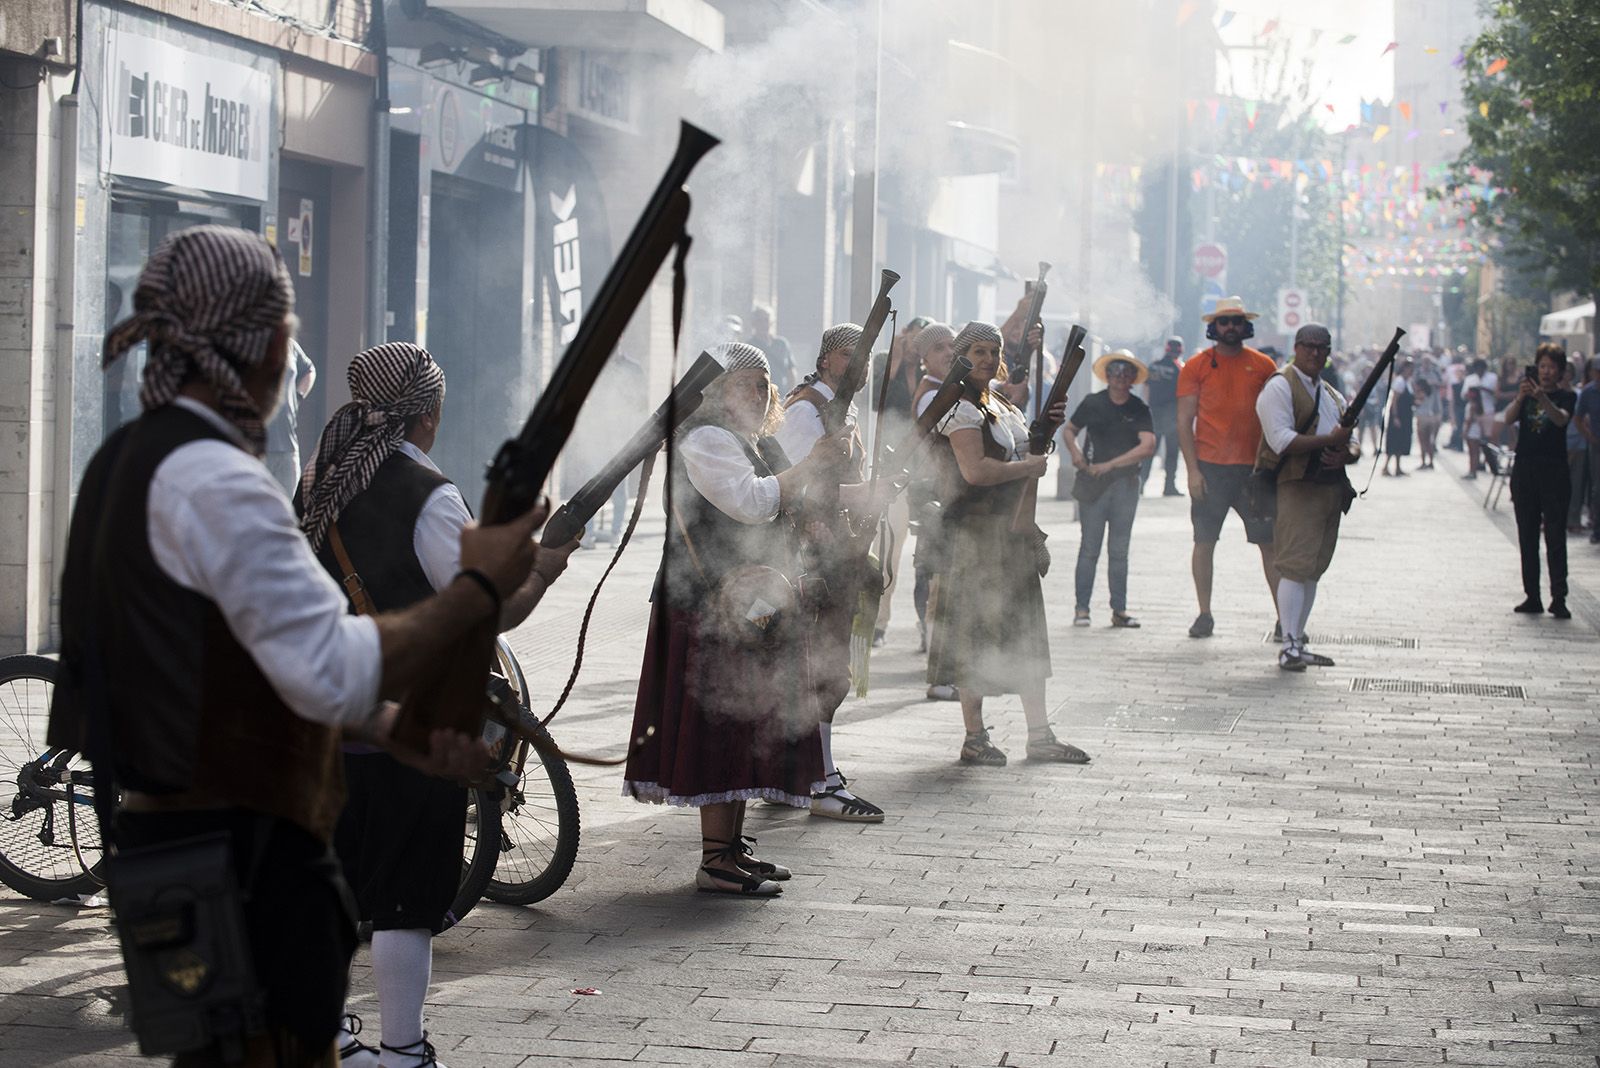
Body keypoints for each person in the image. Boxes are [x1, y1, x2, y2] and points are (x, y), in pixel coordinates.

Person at [47, 225, 535, 1066]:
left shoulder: (126, 459)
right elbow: (329, 666)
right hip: (245, 859)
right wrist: (481, 591)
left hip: (159, 845)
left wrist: (386, 728)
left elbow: (242, 663)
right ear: (268, 343)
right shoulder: (221, 479)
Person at [296, 341, 578, 1068]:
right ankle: (402, 1049)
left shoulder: (319, 480)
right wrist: (542, 571)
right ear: (427, 413)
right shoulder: (427, 493)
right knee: (405, 898)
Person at [622, 343, 846, 893]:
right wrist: (813, 465)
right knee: (720, 728)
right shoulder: (706, 439)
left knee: (746, 726)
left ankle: (730, 849)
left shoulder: (751, 440)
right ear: (716, 390)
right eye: (746, 382)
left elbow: (793, 496)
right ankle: (715, 859)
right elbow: (751, 502)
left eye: (764, 383)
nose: (760, 393)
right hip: (712, 603)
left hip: (754, 603)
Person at [927, 321, 1089, 768]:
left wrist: (1042, 438)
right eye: (976, 350)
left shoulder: (999, 404)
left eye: (991, 351)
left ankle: (1040, 734)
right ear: (962, 357)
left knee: (1025, 636)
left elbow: (1024, 455)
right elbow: (975, 471)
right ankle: (974, 736)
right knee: (974, 637)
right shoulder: (957, 408)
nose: (985, 359)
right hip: (974, 536)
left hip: (1010, 534)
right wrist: (1029, 467)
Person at [773, 324, 886, 822]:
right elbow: (787, 487)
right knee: (823, 672)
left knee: (821, 670)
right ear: (825, 360)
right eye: (847, 356)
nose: (855, 367)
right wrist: (852, 497)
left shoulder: (840, 409)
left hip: (833, 554)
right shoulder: (804, 410)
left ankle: (791, 775)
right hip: (807, 559)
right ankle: (821, 780)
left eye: (862, 358)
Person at [1254, 324, 1360, 671]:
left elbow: (1351, 439)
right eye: (1309, 346)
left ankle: (1298, 638)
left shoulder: (1329, 392)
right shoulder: (1280, 385)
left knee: (1312, 569)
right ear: (1297, 347)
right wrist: (1330, 442)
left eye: (1322, 348)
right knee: (1295, 567)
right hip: (1296, 485)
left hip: (1329, 487)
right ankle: (1289, 643)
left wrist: (1346, 452)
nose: (1316, 353)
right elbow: (1281, 440)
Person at [1175, 296, 1280, 639]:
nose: (1231, 327)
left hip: (1254, 470)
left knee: (1270, 544)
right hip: (1211, 468)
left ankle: (1286, 619)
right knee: (1204, 541)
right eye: (1224, 321)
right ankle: (1204, 613)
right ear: (1214, 327)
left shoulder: (1264, 366)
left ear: (1245, 326)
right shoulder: (1196, 366)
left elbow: (1277, 417)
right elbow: (1184, 421)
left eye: (1236, 321)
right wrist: (1192, 471)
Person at [1063, 350, 1156, 628]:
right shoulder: (1094, 402)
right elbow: (1069, 430)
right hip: (1094, 483)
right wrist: (1076, 454)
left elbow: (1147, 445)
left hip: (1125, 483)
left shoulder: (1138, 408)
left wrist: (1111, 465)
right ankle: (1082, 608)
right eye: (1116, 371)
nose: (1120, 377)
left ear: (1132, 378)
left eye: (1127, 372)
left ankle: (1119, 609)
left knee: (1119, 550)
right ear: (1108, 375)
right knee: (1089, 548)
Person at [866, 315, 931, 647]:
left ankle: (927, 624)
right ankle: (878, 622)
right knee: (884, 550)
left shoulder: (927, 374)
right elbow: (874, 396)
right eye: (912, 341)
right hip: (886, 467)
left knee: (922, 555)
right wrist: (895, 356)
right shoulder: (884, 362)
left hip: (919, 472)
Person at [1501, 343, 1577, 618]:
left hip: (1554, 474)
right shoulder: (1526, 396)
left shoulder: (1568, 396)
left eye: (1551, 367)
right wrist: (1522, 398)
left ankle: (1559, 597)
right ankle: (1532, 595)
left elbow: (1560, 420)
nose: (1546, 372)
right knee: (1527, 536)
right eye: (1542, 366)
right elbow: (1507, 419)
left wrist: (1542, 398)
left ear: (1560, 371)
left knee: (1555, 537)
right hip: (1525, 472)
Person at [908, 322, 961, 695]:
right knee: (939, 585)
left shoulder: (950, 390)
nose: (948, 352)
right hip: (936, 499)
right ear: (924, 358)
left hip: (948, 498)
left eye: (952, 346)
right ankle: (940, 673)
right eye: (939, 347)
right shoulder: (932, 396)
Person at [265, 338, 317, 492]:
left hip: (287, 446)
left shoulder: (289, 344)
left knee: (289, 510)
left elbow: (309, 369)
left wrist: (299, 395)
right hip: (255, 447)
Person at [1141, 336, 1184, 496]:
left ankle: (1140, 484)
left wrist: (1149, 408)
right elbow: (1183, 394)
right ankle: (1169, 487)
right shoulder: (1179, 369)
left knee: (1149, 451)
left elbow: (1146, 389)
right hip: (1172, 416)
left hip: (1154, 414)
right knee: (1172, 453)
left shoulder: (1153, 366)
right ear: (1180, 351)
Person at [746, 304, 796, 395]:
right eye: (760, 320)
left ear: (771, 322)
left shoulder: (782, 344)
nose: (764, 324)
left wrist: (791, 395)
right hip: (759, 396)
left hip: (781, 396)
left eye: (766, 320)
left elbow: (791, 371)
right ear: (753, 323)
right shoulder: (749, 346)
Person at [1577, 361, 1600, 544]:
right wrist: (1589, 436)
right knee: (1597, 487)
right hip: (1596, 444)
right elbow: (1578, 418)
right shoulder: (1588, 392)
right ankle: (1597, 527)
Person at [1383, 360, 1415, 477]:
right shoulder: (1400, 381)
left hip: (1406, 415)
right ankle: (1385, 466)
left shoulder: (1408, 382)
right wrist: (1395, 416)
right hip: (1399, 415)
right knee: (1394, 441)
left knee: (1401, 441)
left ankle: (1398, 467)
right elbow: (1394, 401)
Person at [1414, 377, 1443, 470]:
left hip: (1422, 418)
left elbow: (1417, 402)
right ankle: (1430, 461)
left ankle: (1424, 462)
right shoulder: (1431, 392)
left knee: (1423, 442)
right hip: (1430, 417)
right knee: (1428, 442)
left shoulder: (1421, 393)